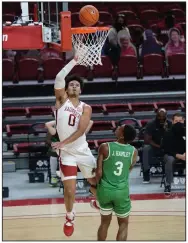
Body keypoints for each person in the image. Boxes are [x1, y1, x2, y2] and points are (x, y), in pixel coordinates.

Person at [51, 54, 97, 237]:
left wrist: (61, 142)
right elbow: (59, 78)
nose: (74, 86)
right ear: (67, 89)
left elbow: (81, 130)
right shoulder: (61, 100)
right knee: (70, 190)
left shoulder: (86, 108)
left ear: (81, 90)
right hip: (67, 153)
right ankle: (70, 216)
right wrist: (75, 60)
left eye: (77, 85)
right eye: (71, 84)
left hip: (82, 150)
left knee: (95, 183)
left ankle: (96, 199)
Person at [95, 124, 137, 241]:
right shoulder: (134, 152)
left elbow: (98, 173)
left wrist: (97, 188)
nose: (117, 127)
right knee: (123, 224)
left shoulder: (105, 147)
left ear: (122, 136)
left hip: (105, 190)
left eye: (120, 128)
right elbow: (128, 170)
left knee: (104, 223)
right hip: (121, 191)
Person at [142, 108, 172, 183]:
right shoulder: (151, 124)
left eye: (163, 116)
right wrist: (158, 146)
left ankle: (179, 172)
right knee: (146, 149)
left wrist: (166, 130)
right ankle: (146, 175)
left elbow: (174, 137)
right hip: (154, 146)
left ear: (166, 116)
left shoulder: (170, 123)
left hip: (167, 146)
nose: (161, 118)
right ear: (157, 116)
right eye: (159, 116)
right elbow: (147, 140)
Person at [161, 113, 186, 194]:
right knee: (170, 160)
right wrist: (178, 155)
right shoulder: (168, 133)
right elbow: (167, 149)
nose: (178, 123)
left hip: (185, 154)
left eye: (180, 121)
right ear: (172, 121)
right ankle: (168, 184)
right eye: (176, 121)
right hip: (171, 154)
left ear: (183, 121)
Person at [45, 120, 59, 187]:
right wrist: (52, 144)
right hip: (55, 146)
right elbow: (47, 140)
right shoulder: (52, 126)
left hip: (67, 145)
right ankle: (54, 177)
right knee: (53, 154)